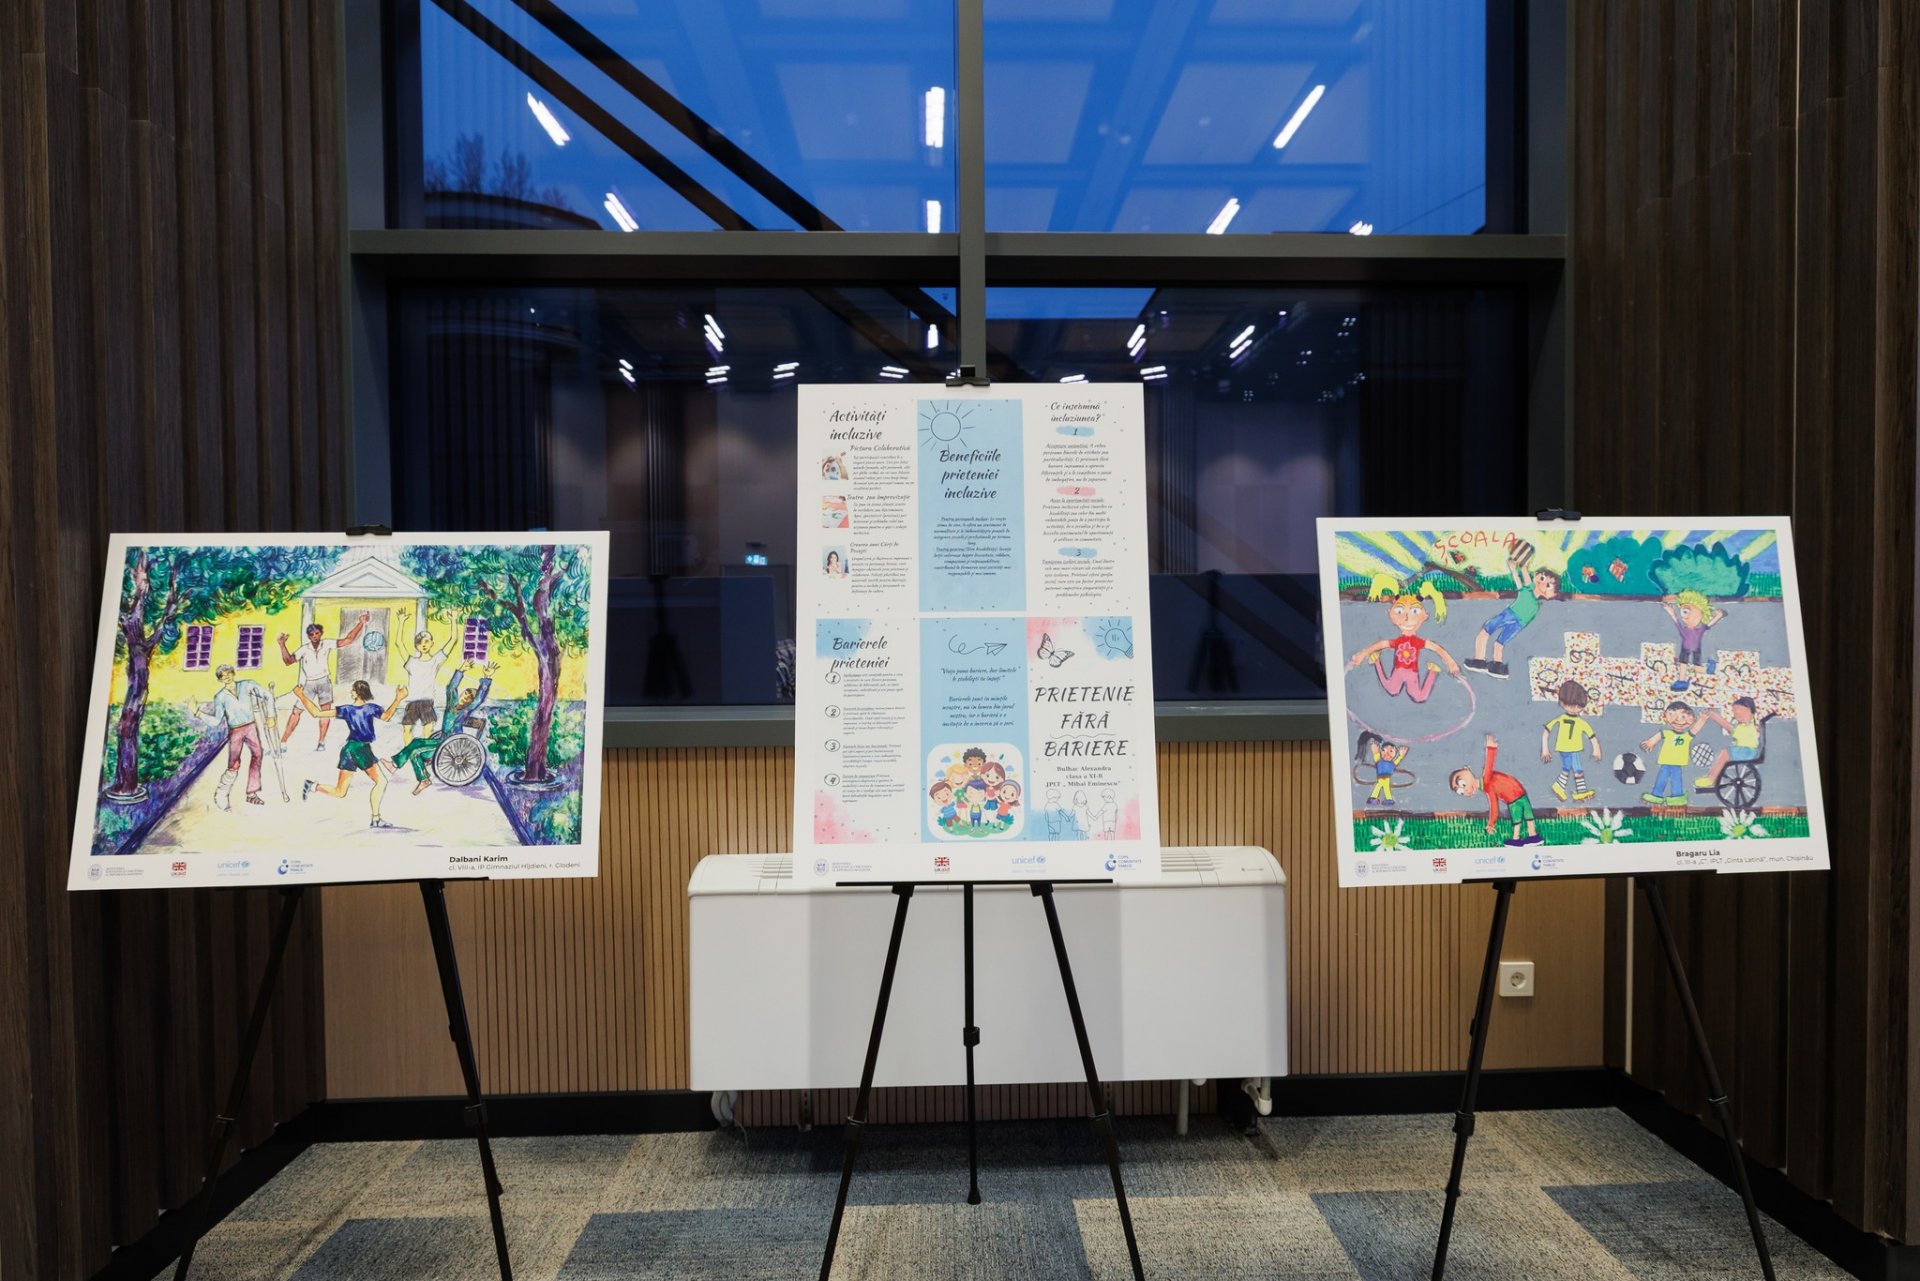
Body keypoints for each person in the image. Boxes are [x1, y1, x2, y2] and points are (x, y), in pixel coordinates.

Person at [299, 678, 407, 826]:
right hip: (361, 749)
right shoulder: (371, 708)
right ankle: (375, 819)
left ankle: (311, 786)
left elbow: (316, 713)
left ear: (357, 693)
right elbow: (387, 716)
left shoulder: (347, 710)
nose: (351, 692)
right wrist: (398, 698)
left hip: (350, 750)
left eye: (353, 690)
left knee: (340, 792)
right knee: (381, 782)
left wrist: (301, 696)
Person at [386, 662, 496, 795]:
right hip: (441, 740)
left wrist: (486, 679)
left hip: (449, 746)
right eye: (465, 694)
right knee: (415, 742)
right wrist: (460, 671)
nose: (464, 697)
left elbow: (478, 700)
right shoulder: (452, 705)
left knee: (415, 753)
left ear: (470, 702)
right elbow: (451, 688)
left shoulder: (465, 711)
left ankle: (424, 779)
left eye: (468, 698)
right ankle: (394, 765)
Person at [1347, 582, 1460, 703]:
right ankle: (1376, 661)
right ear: (1390, 613)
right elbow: (1382, 644)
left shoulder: (1417, 642)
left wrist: (1451, 662)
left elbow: (1436, 648)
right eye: (1399, 611)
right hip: (1398, 671)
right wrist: (1362, 654)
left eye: (1414, 611)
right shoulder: (1399, 641)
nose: (1406, 618)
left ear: (1425, 615)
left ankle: (1433, 671)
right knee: (1392, 690)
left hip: (1412, 673)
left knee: (1420, 697)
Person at [277, 612, 371, 749]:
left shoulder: (326, 644)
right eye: (311, 634)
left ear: (321, 633)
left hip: (324, 682)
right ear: (308, 636)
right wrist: (282, 645)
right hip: (309, 683)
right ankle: (283, 742)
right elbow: (288, 661)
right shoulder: (304, 649)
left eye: (317, 633)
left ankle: (321, 742)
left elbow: (348, 640)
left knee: (325, 713)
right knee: (296, 711)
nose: (315, 636)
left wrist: (361, 623)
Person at [1464, 549, 1560, 679]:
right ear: (1537, 575)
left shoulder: (1528, 590)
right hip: (1520, 623)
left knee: (1486, 631)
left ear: (1551, 594)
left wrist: (1520, 566)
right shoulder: (1529, 593)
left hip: (1510, 615)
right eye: (1542, 578)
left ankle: (1479, 660)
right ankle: (1497, 666)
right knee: (1500, 642)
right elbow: (1520, 577)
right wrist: (1515, 569)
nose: (1542, 583)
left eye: (1548, 585)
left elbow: (1524, 574)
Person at [191, 665, 270, 810]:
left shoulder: (247, 685)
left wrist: (271, 715)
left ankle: (252, 793)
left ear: (233, 673)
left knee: (258, 754)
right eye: (222, 676)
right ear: (219, 680)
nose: (226, 677)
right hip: (235, 730)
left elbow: (267, 696)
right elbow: (216, 721)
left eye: (228, 674)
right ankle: (221, 795)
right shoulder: (220, 697)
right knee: (234, 763)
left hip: (251, 726)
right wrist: (198, 713)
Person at [1450, 733, 1541, 846]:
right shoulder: (1488, 789)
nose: (1466, 791)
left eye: (1463, 785)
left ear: (1467, 769)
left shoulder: (1486, 781)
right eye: (1461, 793)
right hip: (1519, 793)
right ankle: (1531, 836)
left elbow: (1489, 766)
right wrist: (1491, 824)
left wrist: (1491, 748)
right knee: (1527, 816)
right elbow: (1494, 807)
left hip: (1514, 798)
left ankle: (1520, 838)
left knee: (1520, 818)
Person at [395, 606, 460, 744]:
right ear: (416, 646)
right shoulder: (411, 662)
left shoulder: (436, 660)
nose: (423, 644)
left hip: (427, 701)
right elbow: (399, 643)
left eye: (426, 641)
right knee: (407, 729)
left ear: (431, 643)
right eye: (419, 643)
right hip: (412, 701)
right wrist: (401, 622)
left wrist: (454, 620)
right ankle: (408, 752)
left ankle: (424, 753)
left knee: (428, 730)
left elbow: (453, 639)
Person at [1540, 680, 1602, 802]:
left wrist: (1597, 749)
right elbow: (1546, 731)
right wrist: (1545, 749)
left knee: (1567, 769)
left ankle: (1559, 786)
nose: (1575, 708)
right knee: (1577, 770)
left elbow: (1592, 736)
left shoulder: (1580, 722)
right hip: (1570, 749)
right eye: (1571, 705)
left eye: (1578, 706)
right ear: (1562, 703)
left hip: (1569, 749)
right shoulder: (1561, 719)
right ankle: (1581, 792)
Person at [1640, 700, 1708, 805]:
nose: (1678, 720)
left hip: (1677, 763)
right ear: (1666, 716)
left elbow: (1695, 729)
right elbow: (1657, 737)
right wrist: (1650, 742)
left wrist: (1702, 720)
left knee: (1676, 779)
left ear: (1692, 719)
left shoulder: (1687, 736)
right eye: (1672, 715)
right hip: (1665, 761)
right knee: (1661, 778)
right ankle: (1656, 795)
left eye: (1683, 716)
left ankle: (1677, 797)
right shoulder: (1666, 733)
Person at [1661, 591, 1727, 692]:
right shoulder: (1687, 629)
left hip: (1693, 649)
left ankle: (1703, 672)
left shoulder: (1698, 629)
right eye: (1683, 613)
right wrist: (1670, 611)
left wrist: (1718, 616)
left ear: (1701, 613)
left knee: (1691, 666)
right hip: (1687, 649)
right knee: (1685, 665)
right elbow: (1676, 621)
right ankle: (1684, 680)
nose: (1684, 617)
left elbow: (1709, 624)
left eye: (1686, 611)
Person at [1696, 697, 1762, 792]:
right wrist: (1715, 716)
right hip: (1745, 750)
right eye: (1735, 713)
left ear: (1749, 711)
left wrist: (1715, 717)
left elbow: (1731, 728)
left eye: (1739, 712)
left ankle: (1711, 779)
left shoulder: (1748, 725)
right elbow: (1731, 729)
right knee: (1725, 751)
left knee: (1725, 753)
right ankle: (1711, 777)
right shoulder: (1743, 726)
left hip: (1747, 751)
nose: (1737, 716)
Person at [1359, 732, 1408, 807]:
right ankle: (1376, 798)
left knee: (1386, 789)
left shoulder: (1392, 764)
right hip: (1381, 778)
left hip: (1387, 778)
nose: (1387, 753)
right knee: (1379, 787)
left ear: (1395, 753)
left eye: (1391, 751)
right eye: (1384, 750)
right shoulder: (1379, 761)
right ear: (1381, 751)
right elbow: (1376, 755)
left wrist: (1401, 755)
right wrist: (1375, 751)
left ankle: (1386, 799)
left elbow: (1397, 760)